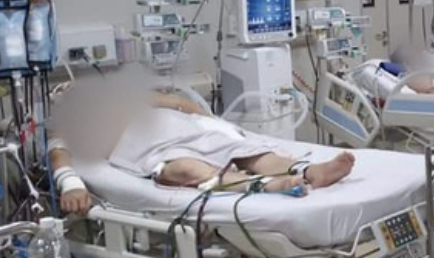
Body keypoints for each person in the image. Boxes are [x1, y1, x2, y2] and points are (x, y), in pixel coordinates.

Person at [51, 88, 355, 215]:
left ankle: (309, 171)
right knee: (186, 170)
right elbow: (58, 152)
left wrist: (215, 124)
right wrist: (71, 184)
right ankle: (269, 185)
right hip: (152, 150)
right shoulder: (68, 128)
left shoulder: (127, 100)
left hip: (183, 129)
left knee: (247, 151)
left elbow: (180, 104)